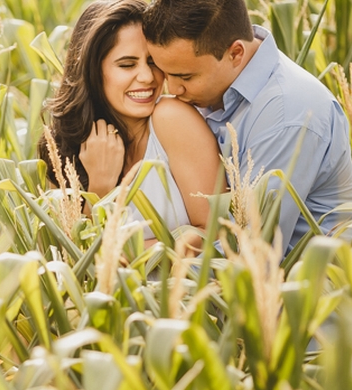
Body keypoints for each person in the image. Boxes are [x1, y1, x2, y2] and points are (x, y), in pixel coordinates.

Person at [143, 0, 352, 253]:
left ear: (235, 53)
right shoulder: (217, 86)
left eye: (185, 77)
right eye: (165, 72)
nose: (173, 88)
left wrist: (142, 255)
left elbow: (251, 252)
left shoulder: (286, 116)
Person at [40, 0, 222, 240]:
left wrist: (124, 253)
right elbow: (72, 253)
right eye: (127, 65)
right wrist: (100, 187)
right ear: (93, 71)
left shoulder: (172, 119)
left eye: (153, 62)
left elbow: (217, 234)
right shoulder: (63, 146)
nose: (147, 77)